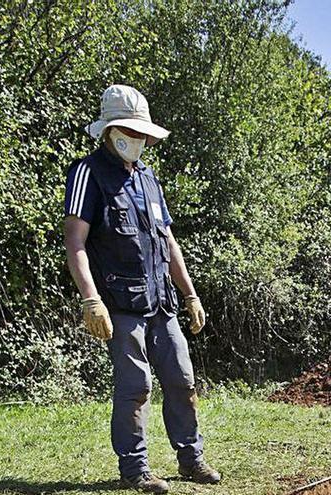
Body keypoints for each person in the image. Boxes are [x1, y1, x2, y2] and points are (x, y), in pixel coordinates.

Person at [64, 84, 220, 493]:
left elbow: (168, 242)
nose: (143, 140)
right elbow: (75, 241)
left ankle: (192, 460)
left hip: (161, 302)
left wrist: (190, 294)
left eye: (144, 133)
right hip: (120, 304)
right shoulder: (88, 173)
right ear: (112, 130)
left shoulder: (149, 180)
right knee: (136, 388)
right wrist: (90, 298)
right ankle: (135, 469)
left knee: (182, 381)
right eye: (135, 132)